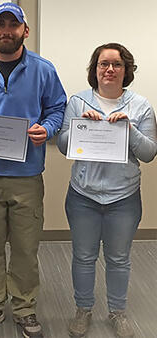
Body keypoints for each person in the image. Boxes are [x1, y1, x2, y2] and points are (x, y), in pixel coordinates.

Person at [0, 3, 66, 338]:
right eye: (0, 24)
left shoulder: (43, 69)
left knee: (25, 247)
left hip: (27, 175)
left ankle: (24, 307)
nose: (7, 30)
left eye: (13, 25)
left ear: (25, 30)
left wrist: (47, 129)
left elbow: (57, 107)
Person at [57, 43, 157, 338]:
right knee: (84, 256)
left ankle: (117, 313)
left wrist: (131, 130)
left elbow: (150, 152)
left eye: (116, 64)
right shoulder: (78, 101)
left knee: (119, 258)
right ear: (95, 69)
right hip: (83, 195)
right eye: (103, 64)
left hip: (123, 196)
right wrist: (78, 128)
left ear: (126, 70)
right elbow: (64, 146)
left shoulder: (140, 106)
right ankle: (83, 310)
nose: (109, 69)